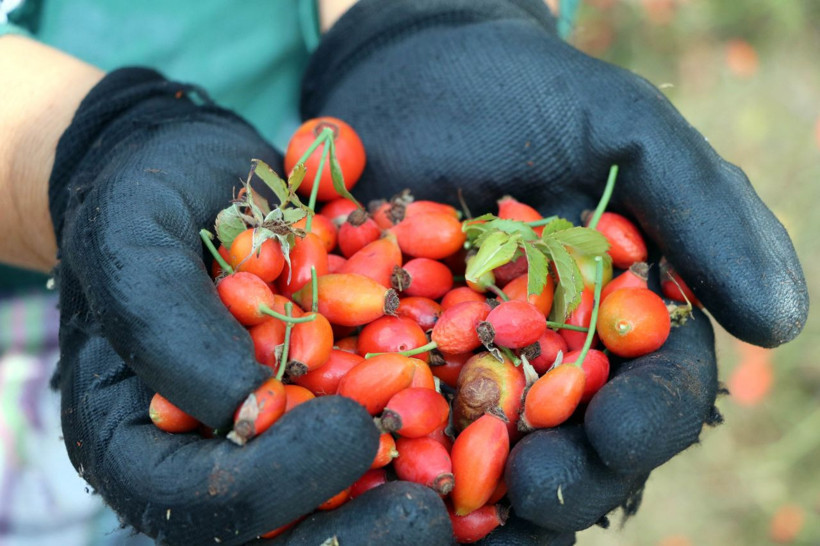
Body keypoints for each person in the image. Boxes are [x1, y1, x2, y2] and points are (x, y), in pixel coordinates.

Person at [0, 0, 808, 545]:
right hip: (64, 264)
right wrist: (85, 146)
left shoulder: (401, 300)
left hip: (280, 181)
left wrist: (422, 15)